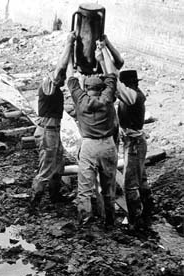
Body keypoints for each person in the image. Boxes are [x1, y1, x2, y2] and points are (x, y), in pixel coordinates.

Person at [98, 43, 154, 231]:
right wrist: (104, 50)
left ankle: (135, 220)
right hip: (135, 141)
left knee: (131, 184)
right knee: (141, 177)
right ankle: (148, 208)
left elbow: (115, 82)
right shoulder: (134, 94)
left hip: (134, 143)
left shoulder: (131, 96)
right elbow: (116, 74)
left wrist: (102, 58)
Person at [66, 48, 118, 229]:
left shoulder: (81, 99)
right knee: (108, 187)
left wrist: (72, 48)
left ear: (86, 88)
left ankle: (85, 223)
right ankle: (110, 221)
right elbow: (112, 74)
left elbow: (70, 78)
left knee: (85, 188)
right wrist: (102, 52)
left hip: (89, 146)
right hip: (108, 145)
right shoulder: (108, 97)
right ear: (101, 88)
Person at [29, 32, 76, 210]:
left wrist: (72, 54)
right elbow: (60, 70)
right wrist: (68, 44)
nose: (63, 79)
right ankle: (34, 203)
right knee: (47, 169)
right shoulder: (48, 84)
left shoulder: (53, 88)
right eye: (61, 76)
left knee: (58, 166)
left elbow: (66, 73)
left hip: (53, 132)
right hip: (47, 133)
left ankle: (55, 197)